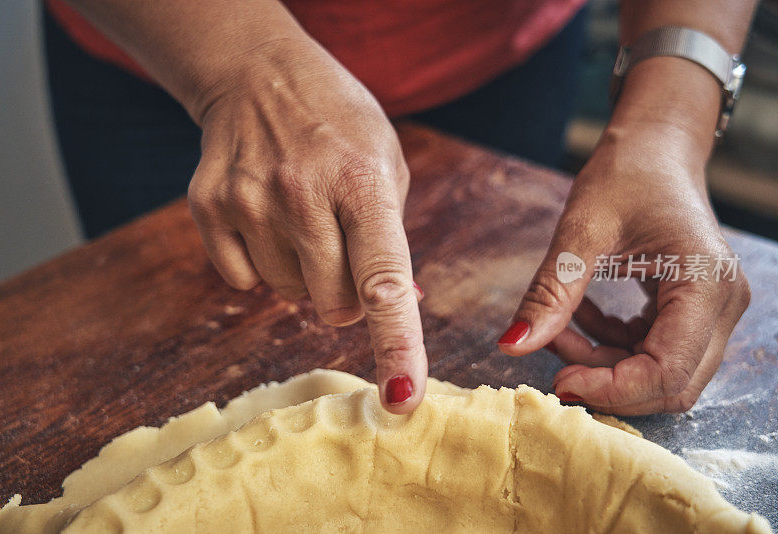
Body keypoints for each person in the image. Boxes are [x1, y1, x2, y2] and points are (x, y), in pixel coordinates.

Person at [44, 0, 756, 416]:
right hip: (176, 45)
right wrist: (241, 65)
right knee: (165, 384)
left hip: (495, 53)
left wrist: (669, 124)